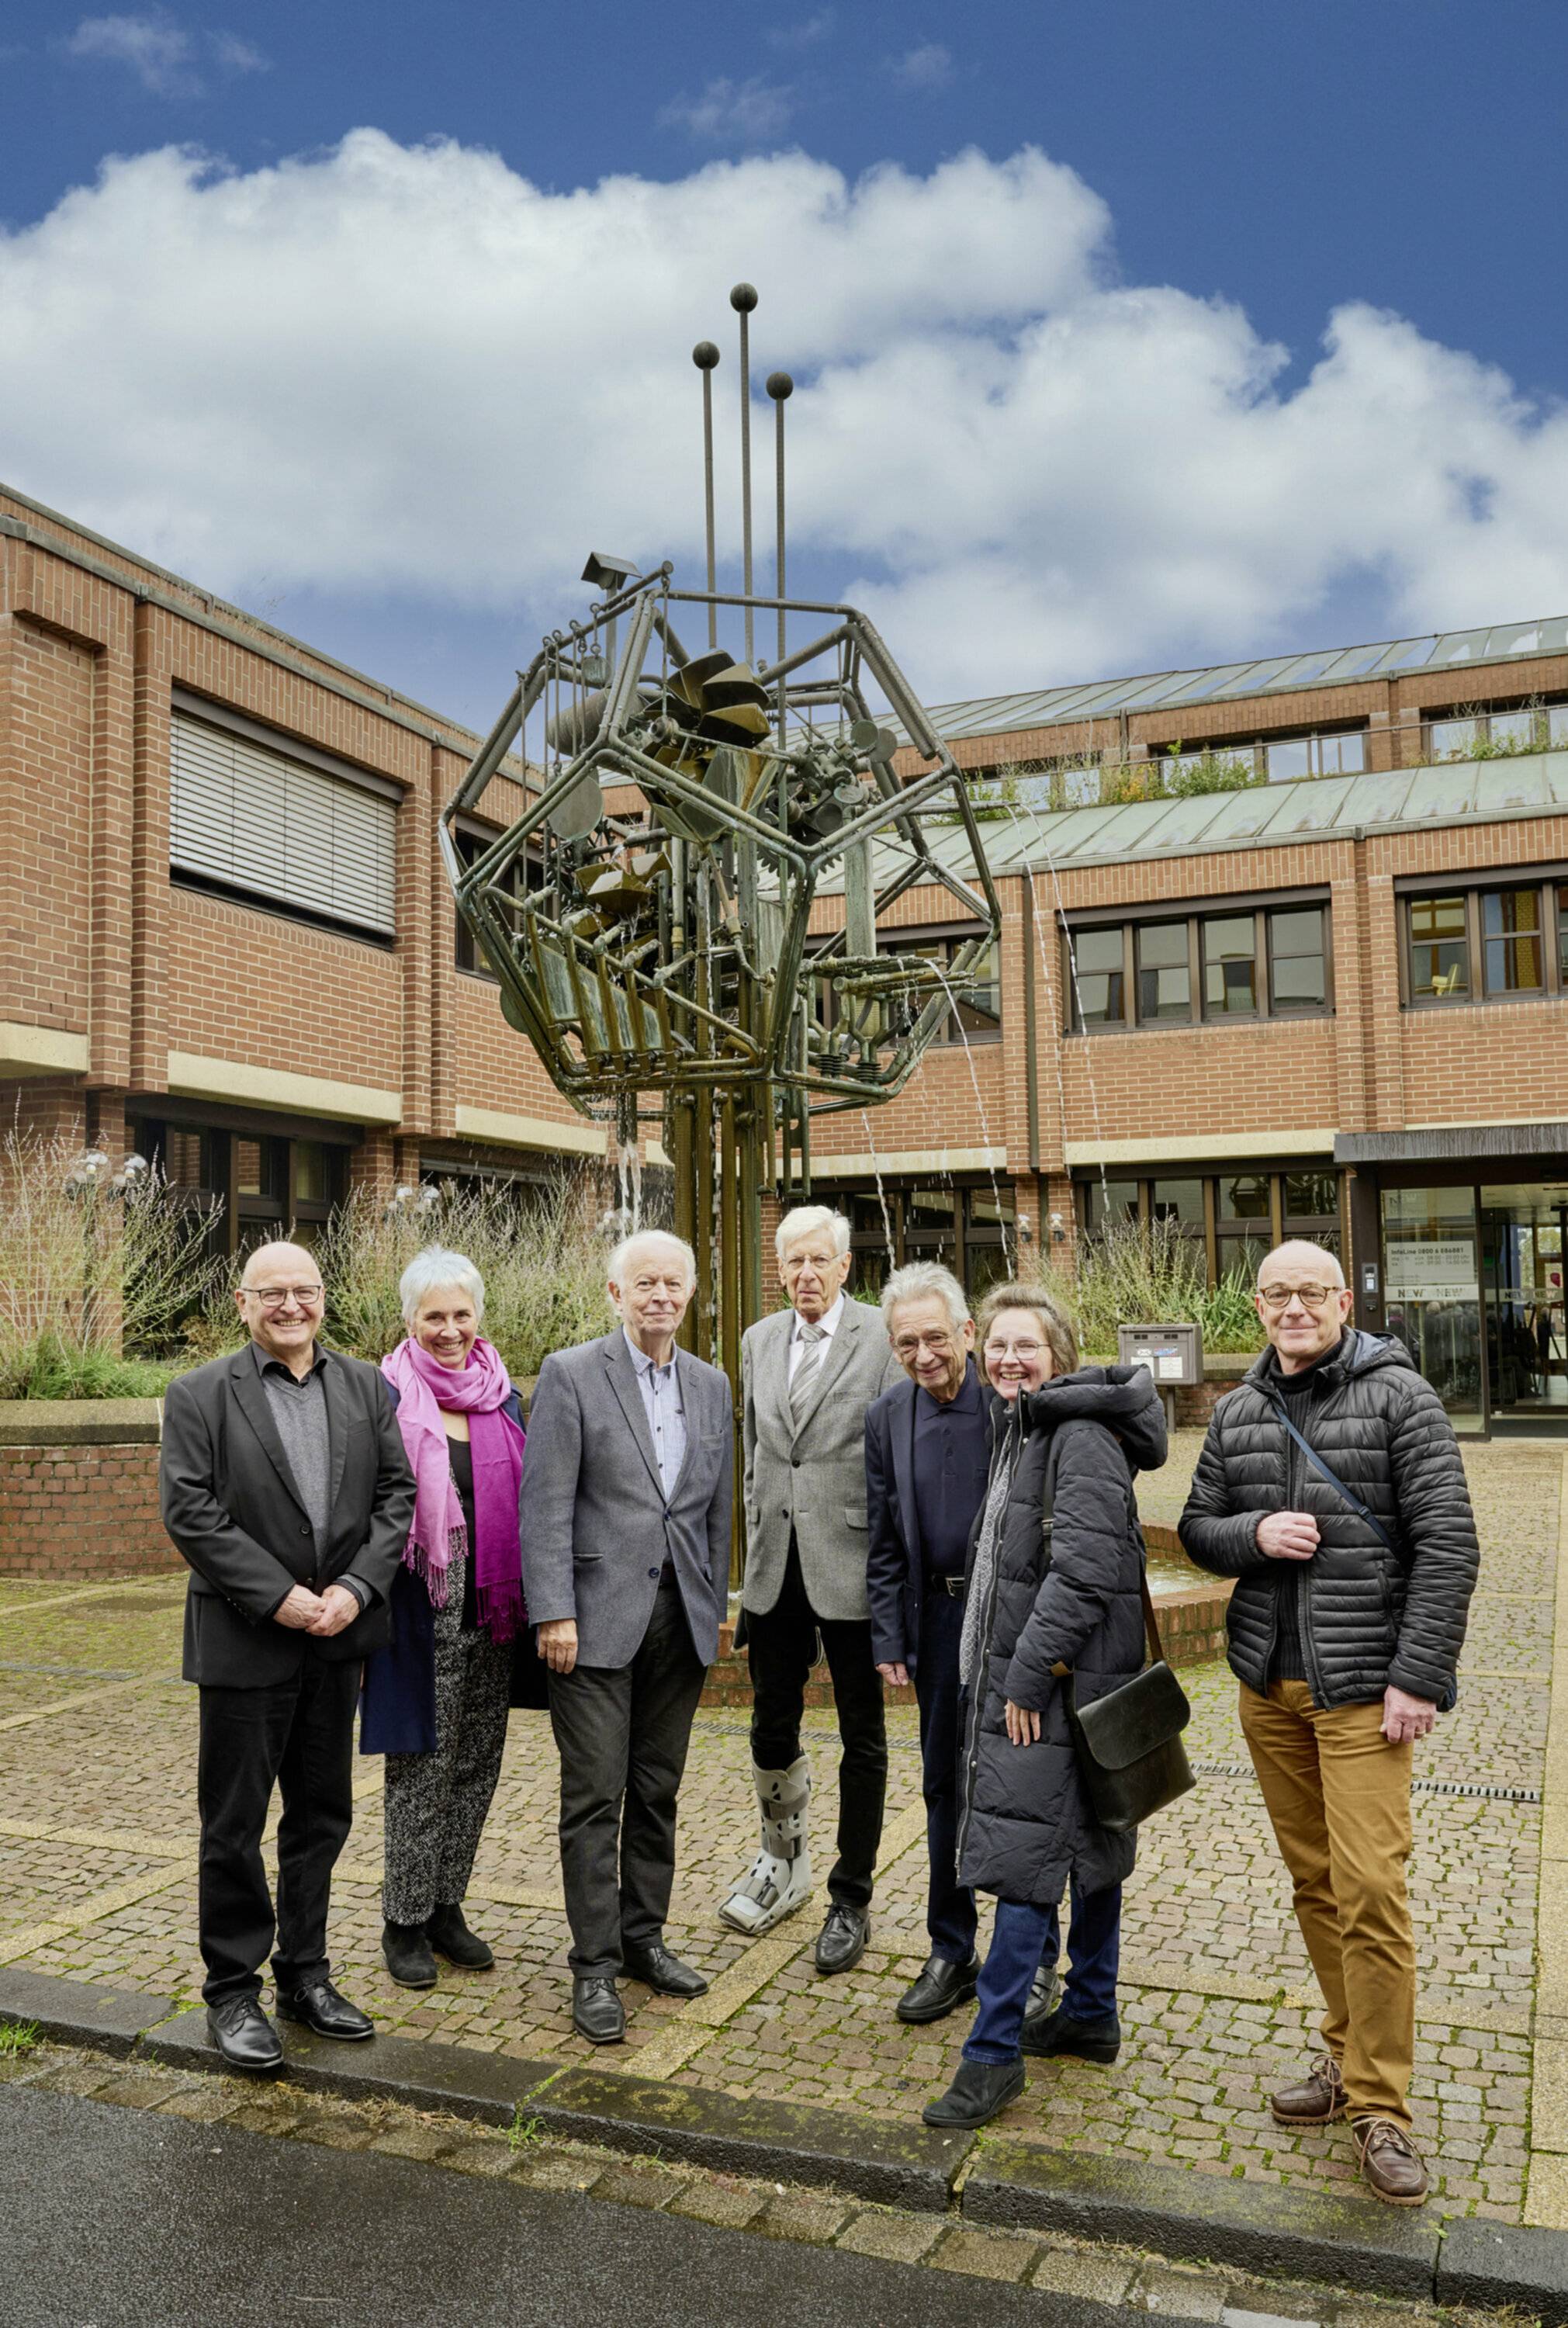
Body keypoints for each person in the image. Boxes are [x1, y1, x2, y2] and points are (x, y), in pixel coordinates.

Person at [1179, 1241, 1479, 2206]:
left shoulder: (1401, 1400)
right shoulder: (1235, 1410)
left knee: (1370, 1893)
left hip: (1363, 1693)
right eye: (1276, 1294)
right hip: (1268, 1690)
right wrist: (1252, 1536)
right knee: (1314, 1884)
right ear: (1258, 1306)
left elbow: (1448, 1545)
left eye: (1311, 1292)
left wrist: (1417, 1677)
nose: (1294, 1307)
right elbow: (1195, 1529)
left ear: (1342, 1300)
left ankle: (1381, 2108)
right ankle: (1347, 2060)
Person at [159, 1241, 416, 2072]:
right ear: (242, 1303)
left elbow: (395, 1496)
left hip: (337, 1636)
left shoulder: (365, 1386)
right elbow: (191, 1511)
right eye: (272, 1293)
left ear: (323, 1297)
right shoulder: (199, 1394)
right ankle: (232, 1990)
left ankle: (304, 1974)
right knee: (232, 1824)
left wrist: (357, 1589)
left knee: (320, 1818)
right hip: (246, 1640)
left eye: (303, 1290)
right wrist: (277, 1594)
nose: (290, 1306)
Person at [922, 1289, 1166, 2129]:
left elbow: (1085, 1575)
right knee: (1091, 1839)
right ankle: (1090, 2012)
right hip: (1063, 1684)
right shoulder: (1023, 1430)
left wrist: (1025, 1679)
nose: (1006, 1360)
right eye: (995, 1345)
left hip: (1053, 1689)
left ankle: (990, 2058)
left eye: (1024, 1346)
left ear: (1059, 1356)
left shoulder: (1078, 1436)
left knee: (1023, 1860)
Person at [867, 1270, 1122, 2031]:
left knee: (1022, 1794)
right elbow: (882, 1539)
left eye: (936, 1338)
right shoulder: (885, 1417)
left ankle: (1038, 1960)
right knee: (946, 1788)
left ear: (965, 1338)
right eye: (906, 1343)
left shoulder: (1015, 1406)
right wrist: (888, 1633)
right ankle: (951, 1948)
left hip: (1017, 1631)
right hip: (940, 1629)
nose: (924, 1355)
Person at [518, 1228, 731, 2046]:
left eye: (671, 1283)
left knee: (656, 1790)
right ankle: (594, 1968)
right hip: (592, 1626)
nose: (658, 1296)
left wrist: (709, 1604)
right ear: (614, 1294)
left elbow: (712, 1511)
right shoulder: (573, 1375)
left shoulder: (710, 1385)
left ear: (687, 1295)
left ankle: (644, 1940)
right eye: (642, 1283)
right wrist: (553, 1613)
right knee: (594, 1796)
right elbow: (542, 1507)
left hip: (679, 1624)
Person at [719, 1207, 897, 1972]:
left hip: (851, 1563)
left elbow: (892, 1461)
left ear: (845, 1265)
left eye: (818, 1261)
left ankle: (849, 1895)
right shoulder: (759, 1341)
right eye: (791, 1262)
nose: (804, 1276)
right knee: (769, 1723)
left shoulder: (883, 1339)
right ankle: (781, 1862)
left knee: (863, 1734)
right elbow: (760, 1459)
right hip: (774, 1569)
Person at [361, 1248, 527, 1990]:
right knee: (419, 1768)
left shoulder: (503, 1396)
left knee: (475, 1765)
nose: (450, 1329)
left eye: (461, 1314)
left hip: (491, 1613)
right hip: (415, 1610)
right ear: (409, 1320)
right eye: (435, 1316)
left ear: (478, 1317)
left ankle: (446, 1907)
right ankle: (403, 1919)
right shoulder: (383, 1394)